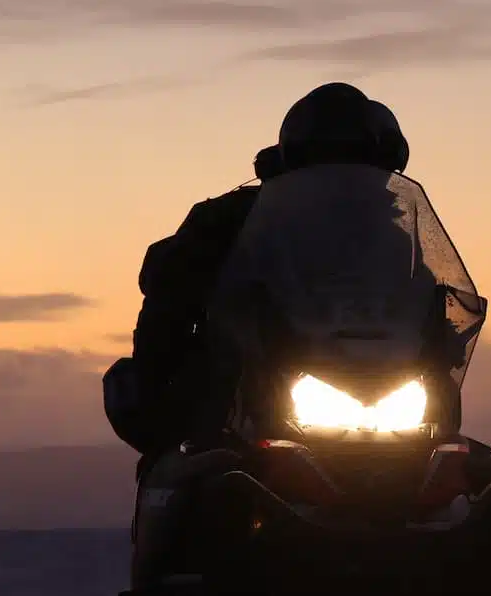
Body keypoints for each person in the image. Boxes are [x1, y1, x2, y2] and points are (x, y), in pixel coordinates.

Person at [102, 82, 409, 469]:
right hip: (254, 386)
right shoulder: (233, 220)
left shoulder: (393, 238)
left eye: (366, 164)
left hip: (371, 387)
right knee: (201, 464)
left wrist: (442, 326)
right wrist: (162, 369)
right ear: (302, 160)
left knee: (463, 463)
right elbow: (169, 294)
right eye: (337, 159)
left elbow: (423, 293)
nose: (349, 176)